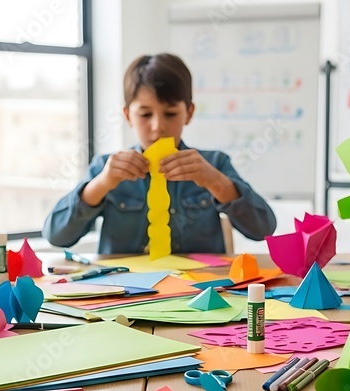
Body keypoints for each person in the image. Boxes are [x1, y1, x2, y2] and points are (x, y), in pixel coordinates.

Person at [42, 53, 276, 254]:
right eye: (145, 114)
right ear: (127, 115)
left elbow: (264, 229)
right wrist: (102, 184)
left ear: (189, 113)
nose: (157, 127)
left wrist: (214, 180)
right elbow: (56, 236)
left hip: (199, 294)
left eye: (170, 114)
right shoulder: (107, 167)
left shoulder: (214, 163)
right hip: (125, 295)